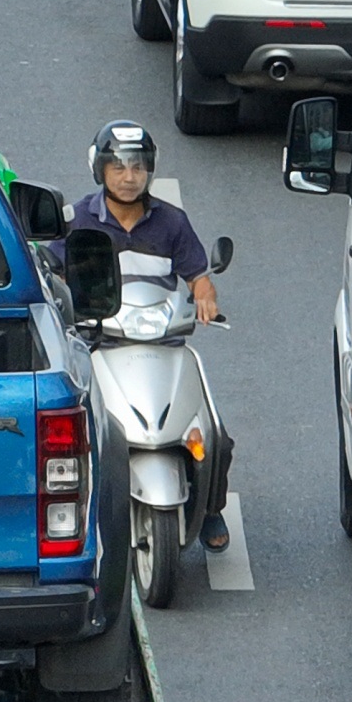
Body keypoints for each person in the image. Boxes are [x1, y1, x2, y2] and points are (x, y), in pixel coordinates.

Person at [66, 120, 234, 549]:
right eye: (119, 167)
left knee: (213, 432)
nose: (128, 177)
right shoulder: (80, 220)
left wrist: (205, 298)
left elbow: (198, 275)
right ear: (99, 169)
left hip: (163, 341)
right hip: (100, 340)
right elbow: (52, 268)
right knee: (69, 427)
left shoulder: (171, 222)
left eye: (138, 167)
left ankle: (211, 509)